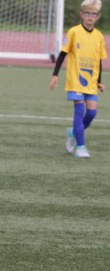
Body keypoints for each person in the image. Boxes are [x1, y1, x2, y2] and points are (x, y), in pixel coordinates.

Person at [49, 0, 107, 159]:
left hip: (91, 82)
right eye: (87, 13)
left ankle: (73, 132)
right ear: (82, 14)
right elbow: (62, 54)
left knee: (92, 113)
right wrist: (55, 75)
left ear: (98, 17)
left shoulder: (99, 36)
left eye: (93, 14)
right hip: (75, 79)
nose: (90, 17)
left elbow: (98, 61)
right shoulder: (74, 32)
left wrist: (99, 81)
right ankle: (81, 147)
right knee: (79, 110)